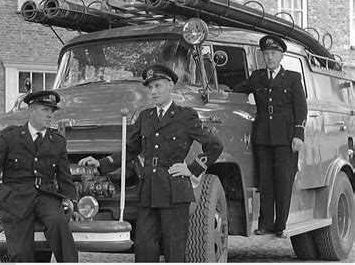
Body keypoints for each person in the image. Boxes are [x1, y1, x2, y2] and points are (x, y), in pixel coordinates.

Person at [78, 65, 223, 262]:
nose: (153, 92)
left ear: (170, 85)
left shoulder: (185, 116)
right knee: (144, 245)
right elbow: (130, 150)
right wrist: (101, 163)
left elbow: (214, 146)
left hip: (174, 190)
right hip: (149, 191)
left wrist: (191, 169)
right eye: (150, 88)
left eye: (158, 86)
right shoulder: (146, 117)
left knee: (174, 248)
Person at [0, 90, 78, 262]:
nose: (50, 115)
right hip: (16, 199)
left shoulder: (58, 142)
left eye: (52, 111)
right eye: (45, 110)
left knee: (60, 227)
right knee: (21, 253)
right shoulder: (10, 138)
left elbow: (64, 178)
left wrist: (72, 202)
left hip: (46, 196)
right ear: (31, 111)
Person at [233, 35, 308, 238]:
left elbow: (301, 108)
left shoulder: (293, 78)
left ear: (281, 56)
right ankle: (265, 224)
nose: (269, 57)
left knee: (283, 180)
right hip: (263, 136)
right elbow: (238, 90)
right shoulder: (257, 77)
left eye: (273, 53)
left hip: (286, 136)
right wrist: (224, 90)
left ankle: (280, 225)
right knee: (265, 181)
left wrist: (298, 134)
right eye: (266, 54)